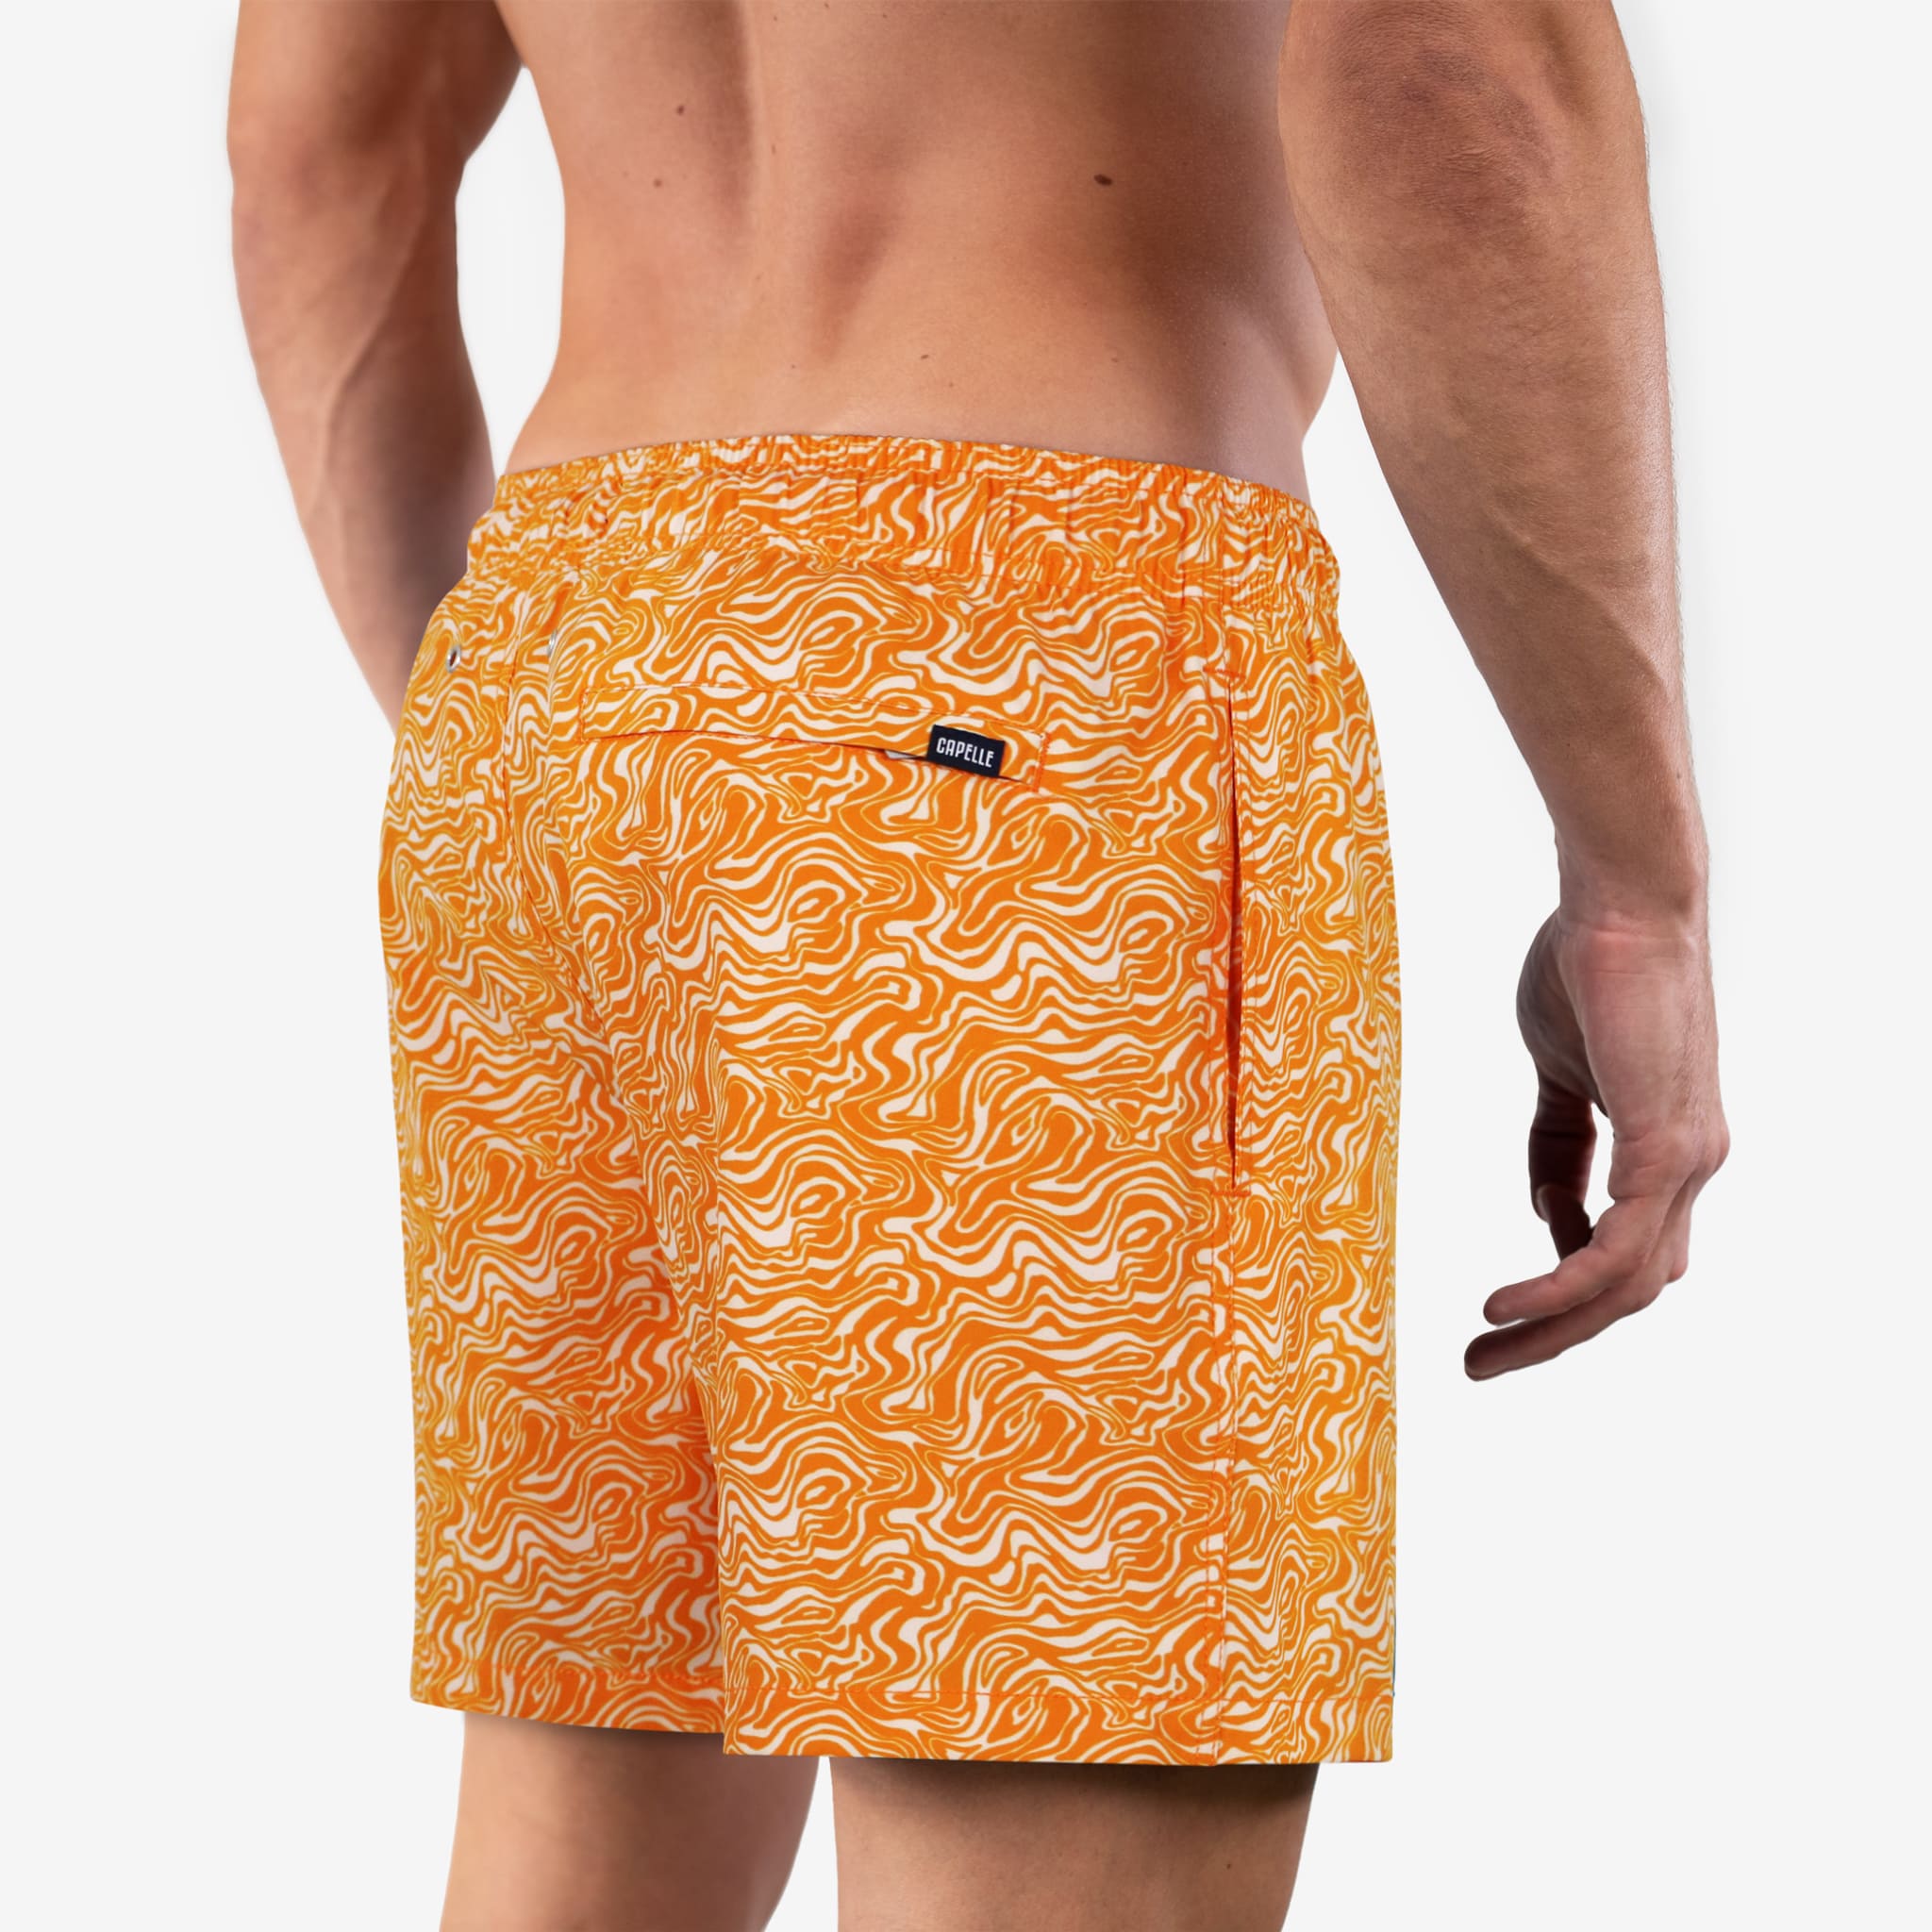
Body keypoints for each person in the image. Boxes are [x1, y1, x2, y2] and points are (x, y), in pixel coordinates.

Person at [227, 2, 1728, 1925]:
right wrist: (1633, 883)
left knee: (586, 1820)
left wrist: (542, 751)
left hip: (559, 656)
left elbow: (313, 151)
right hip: (1034, 661)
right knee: (1051, 1773)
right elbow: (1442, 68)